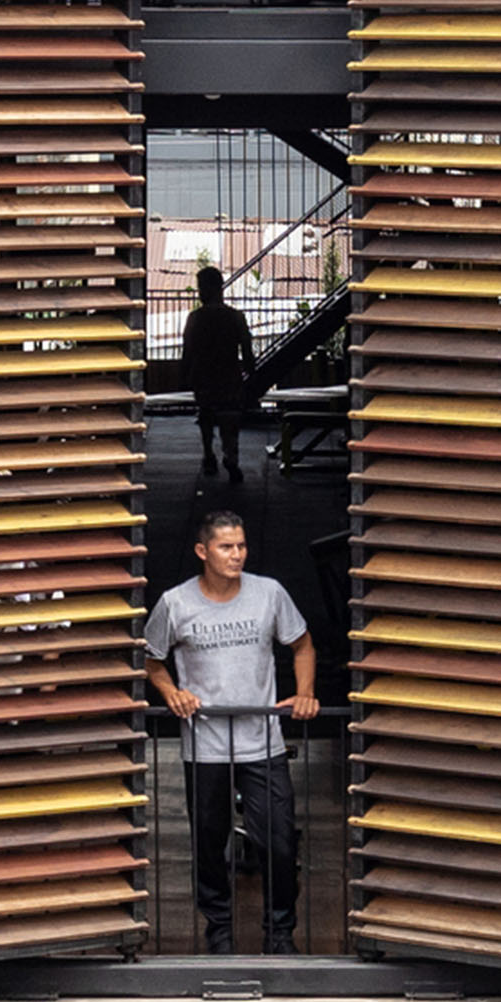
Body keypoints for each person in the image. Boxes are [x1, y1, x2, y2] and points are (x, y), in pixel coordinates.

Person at [144, 510, 320, 955]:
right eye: (226, 547)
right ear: (202, 551)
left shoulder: (269, 593)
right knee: (208, 846)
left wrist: (305, 693)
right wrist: (171, 693)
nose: (237, 555)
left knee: (279, 842)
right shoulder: (175, 603)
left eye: (241, 546)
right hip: (205, 747)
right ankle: (218, 927)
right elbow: (151, 659)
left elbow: (302, 644)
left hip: (263, 743)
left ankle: (280, 933)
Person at [181, 265, 254, 483]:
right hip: (229, 375)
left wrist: (185, 375)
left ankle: (209, 455)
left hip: (203, 376)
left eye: (202, 287)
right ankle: (231, 457)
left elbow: (188, 350)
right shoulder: (235, 317)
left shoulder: (195, 318)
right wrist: (251, 372)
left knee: (206, 415)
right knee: (230, 418)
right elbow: (247, 349)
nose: (201, 292)